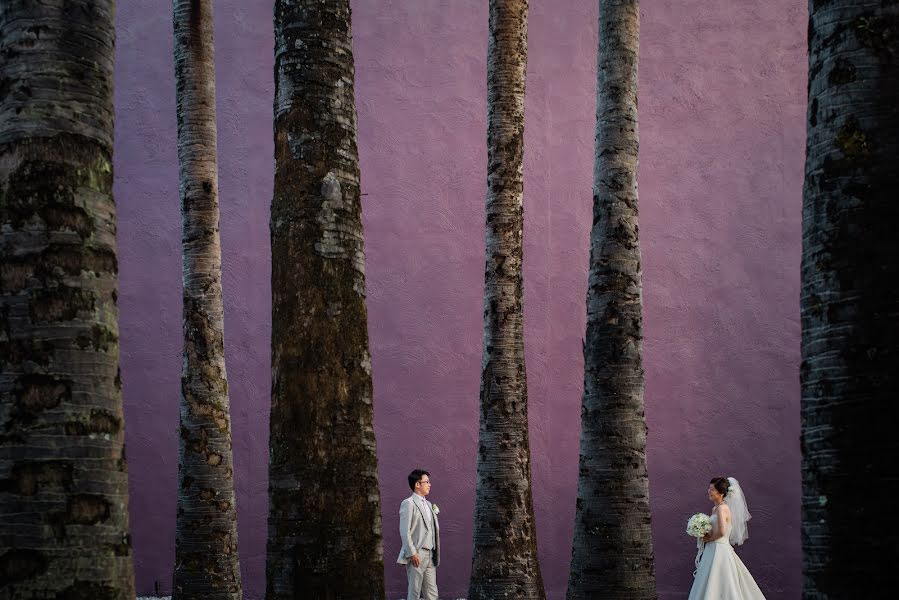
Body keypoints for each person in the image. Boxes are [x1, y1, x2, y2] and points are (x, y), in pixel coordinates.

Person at [688, 477, 766, 599]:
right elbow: (715, 529)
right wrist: (702, 531)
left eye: (712, 489)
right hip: (712, 549)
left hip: (719, 550)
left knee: (720, 582)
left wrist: (708, 539)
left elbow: (722, 532)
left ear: (720, 492)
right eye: (709, 488)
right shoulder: (715, 508)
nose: (708, 491)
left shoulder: (722, 508)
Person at [397, 469, 440, 600]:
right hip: (417, 554)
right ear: (417, 484)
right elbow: (404, 531)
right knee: (414, 592)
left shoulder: (429, 504)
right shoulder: (408, 503)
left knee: (432, 594)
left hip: (430, 554)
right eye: (426, 482)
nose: (429, 484)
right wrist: (412, 552)